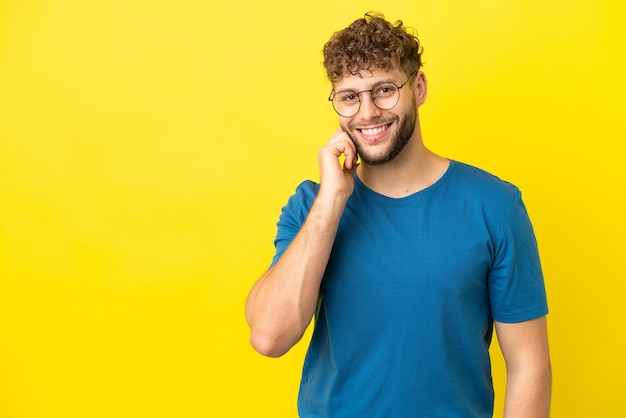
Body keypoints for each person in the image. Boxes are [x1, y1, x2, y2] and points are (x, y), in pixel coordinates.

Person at [245, 13, 551, 418]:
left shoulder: (494, 206)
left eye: (384, 90)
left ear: (418, 88)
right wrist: (333, 198)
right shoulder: (312, 206)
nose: (368, 112)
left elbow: (529, 364)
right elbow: (269, 336)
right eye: (350, 96)